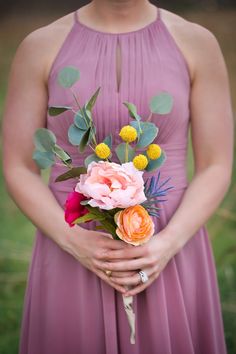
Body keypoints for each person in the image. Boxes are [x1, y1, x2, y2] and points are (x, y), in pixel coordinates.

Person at [2, 0, 233, 353]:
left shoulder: (196, 42)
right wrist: (75, 242)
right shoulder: (41, 46)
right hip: (70, 248)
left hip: (167, 249)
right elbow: (18, 165)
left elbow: (216, 164)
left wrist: (165, 246)